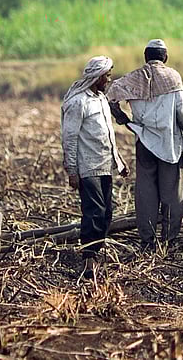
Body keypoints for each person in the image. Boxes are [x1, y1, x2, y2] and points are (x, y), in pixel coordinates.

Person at [106, 39, 183, 251]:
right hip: (169, 143)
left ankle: (147, 241)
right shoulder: (172, 77)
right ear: (165, 57)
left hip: (144, 141)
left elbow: (110, 97)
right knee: (172, 193)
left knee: (146, 194)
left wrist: (122, 118)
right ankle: (169, 240)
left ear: (146, 57)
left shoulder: (133, 78)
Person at [61, 56, 128, 278]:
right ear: (97, 77)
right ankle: (88, 258)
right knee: (94, 212)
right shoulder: (78, 102)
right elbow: (69, 138)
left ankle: (95, 252)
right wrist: (72, 171)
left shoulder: (100, 99)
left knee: (106, 212)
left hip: (104, 165)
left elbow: (107, 135)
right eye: (106, 75)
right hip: (87, 167)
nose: (109, 79)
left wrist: (119, 161)